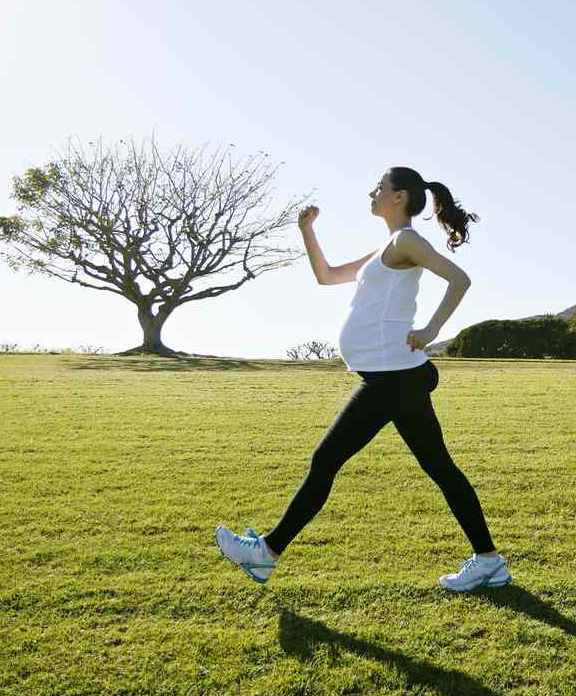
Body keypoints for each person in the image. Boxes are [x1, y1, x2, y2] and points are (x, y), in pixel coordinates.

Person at [214, 167, 510, 592]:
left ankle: (266, 554)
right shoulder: (387, 247)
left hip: (391, 377)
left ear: (399, 197)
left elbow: (459, 280)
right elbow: (327, 275)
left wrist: (429, 332)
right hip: (394, 378)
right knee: (439, 468)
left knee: (326, 460)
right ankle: (489, 561)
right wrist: (306, 230)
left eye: (379, 187)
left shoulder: (407, 240)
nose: (372, 192)